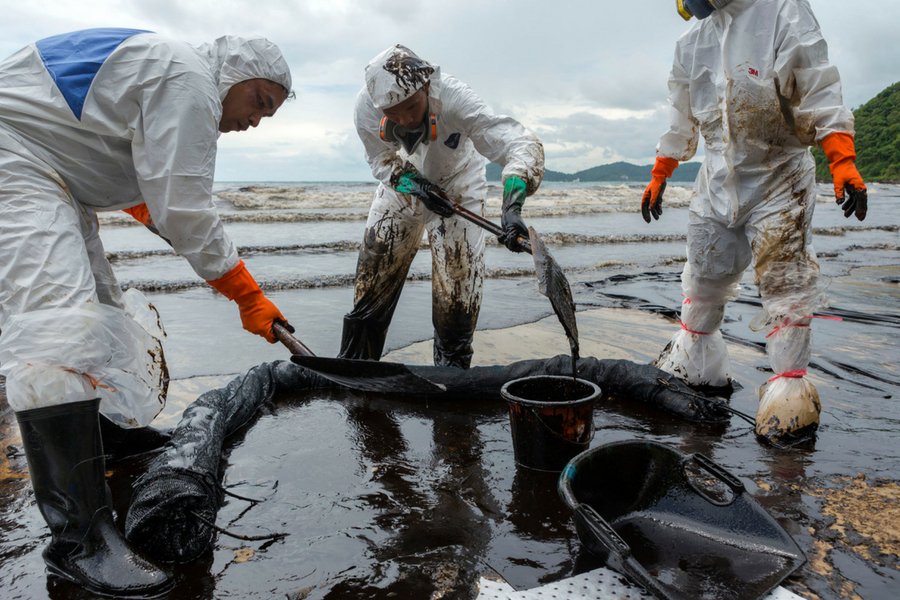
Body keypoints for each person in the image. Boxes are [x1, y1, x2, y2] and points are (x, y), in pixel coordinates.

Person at [0, 28, 294, 596]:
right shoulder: (190, 79)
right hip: (15, 162)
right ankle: (79, 543)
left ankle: (106, 436)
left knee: (102, 311)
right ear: (231, 76)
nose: (256, 120)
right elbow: (184, 206)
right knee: (58, 328)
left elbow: (149, 191)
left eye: (269, 114)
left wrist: (177, 228)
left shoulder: (167, 74)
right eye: (259, 101)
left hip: (52, 172)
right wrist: (246, 294)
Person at [642, 0, 868, 444]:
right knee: (704, 275)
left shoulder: (781, 10)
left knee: (785, 286)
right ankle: (698, 366)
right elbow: (681, 111)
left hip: (779, 174)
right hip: (716, 179)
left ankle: (789, 398)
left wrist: (841, 158)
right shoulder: (693, 41)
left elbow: (818, 84)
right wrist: (661, 171)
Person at [340, 44, 544, 368]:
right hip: (401, 186)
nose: (406, 120)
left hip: (458, 184)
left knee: (458, 293)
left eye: (411, 107)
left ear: (426, 86)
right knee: (372, 280)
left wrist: (512, 206)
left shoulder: (455, 98)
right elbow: (380, 160)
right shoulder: (366, 107)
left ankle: (451, 378)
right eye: (394, 114)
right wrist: (415, 186)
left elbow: (517, 143)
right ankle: (356, 372)